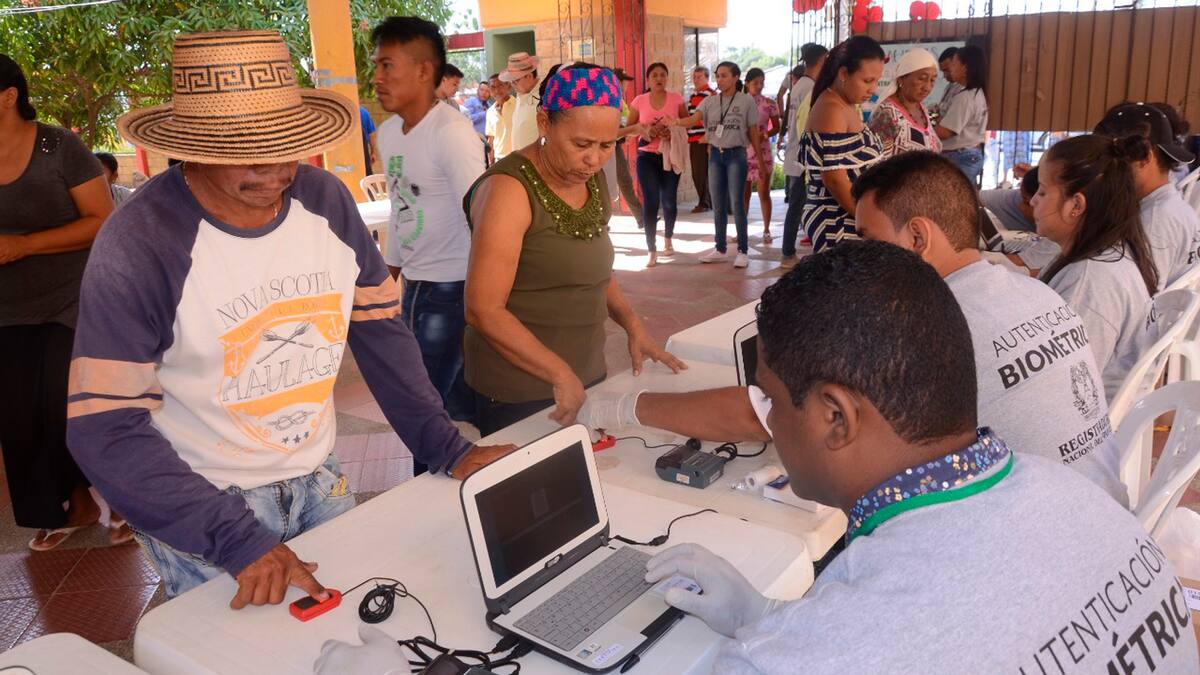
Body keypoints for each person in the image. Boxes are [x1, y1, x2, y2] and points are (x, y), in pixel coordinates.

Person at [66, 29, 513, 603]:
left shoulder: (324, 200)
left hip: (320, 476)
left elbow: (383, 337)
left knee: (349, 627)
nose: (276, 170)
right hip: (205, 497)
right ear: (195, 147)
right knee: (233, 647)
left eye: (288, 146)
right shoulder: (141, 242)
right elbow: (103, 425)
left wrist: (446, 446)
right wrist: (232, 538)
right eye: (248, 153)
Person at [642, 242, 1197, 673]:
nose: (768, 419)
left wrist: (776, 639)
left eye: (771, 399)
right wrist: (768, 617)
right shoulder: (1080, 498)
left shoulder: (787, 663)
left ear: (835, 416)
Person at [579, 152, 1126, 503]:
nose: (858, 251)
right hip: (1096, 507)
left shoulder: (924, 323)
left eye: (867, 237)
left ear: (918, 238)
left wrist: (624, 408)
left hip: (1032, 538)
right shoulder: (1027, 288)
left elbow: (762, 412)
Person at [463, 62, 685, 436]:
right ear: (544, 124)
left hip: (584, 374)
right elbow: (482, 309)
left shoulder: (589, 179)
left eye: (606, 145)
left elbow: (595, 267)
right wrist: (557, 372)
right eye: (581, 144)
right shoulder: (508, 191)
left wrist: (633, 325)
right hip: (520, 390)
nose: (594, 159)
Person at [0, 54, 120, 551]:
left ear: (8, 96)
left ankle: (126, 500)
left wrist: (24, 245)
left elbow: (101, 219)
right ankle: (75, 503)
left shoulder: (58, 147)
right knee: (18, 416)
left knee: (68, 405)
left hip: (72, 296)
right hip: (8, 309)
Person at [373, 17, 484, 427]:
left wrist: (488, 298)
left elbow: (483, 214)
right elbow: (400, 206)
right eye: (376, 66)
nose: (377, 77)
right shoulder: (389, 133)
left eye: (387, 65)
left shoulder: (451, 133)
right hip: (417, 285)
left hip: (452, 287)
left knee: (421, 400)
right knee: (451, 399)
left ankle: (432, 464)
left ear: (423, 71)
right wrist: (387, 278)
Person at [1033, 134, 1159, 400]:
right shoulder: (1109, 253)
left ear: (1076, 205)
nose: (1033, 201)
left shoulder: (1089, 283)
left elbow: (1064, 389)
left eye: (1042, 192)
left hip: (1096, 417)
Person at [673, 61, 768, 268]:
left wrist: (760, 162)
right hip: (716, 155)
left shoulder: (746, 101)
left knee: (737, 203)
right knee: (718, 204)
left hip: (736, 155)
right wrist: (675, 122)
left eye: (724, 75)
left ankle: (743, 250)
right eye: (718, 75)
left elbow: (753, 132)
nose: (720, 79)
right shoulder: (710, 101)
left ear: (735, 77)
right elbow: (693, 119)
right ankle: (720, 248)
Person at [1095, 102, 1200, 290]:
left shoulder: (1153, 221)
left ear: (1145, 158)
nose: (1103, 170)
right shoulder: (1172, 206)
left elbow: (1144, 295)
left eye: (1112, 159)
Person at [799, 36, 885, 252]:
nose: (873, 89)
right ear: (844, 73)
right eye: (867, 81)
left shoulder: (844, 103)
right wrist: (868, 222)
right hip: (837, 220)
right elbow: (835, 180)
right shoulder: (832, 109)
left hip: (848, 217)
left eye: (876, 81)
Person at [627, 62, 688, 267]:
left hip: (670, 156)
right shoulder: (639, 101)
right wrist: (647, 130)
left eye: (663, 75)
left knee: (669, 200)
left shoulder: (677, 99)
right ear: (648, 80)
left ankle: (668, 238)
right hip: (646, 156)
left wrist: (673, 132)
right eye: (654, 75)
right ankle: (651, 249)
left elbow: (687, 124)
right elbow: (630, 129)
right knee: (651, 201)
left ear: (667, 78)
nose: (659, 78)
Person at [780, 43, 827, 267]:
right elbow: (807, 127)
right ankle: (788, 253)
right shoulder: (811, 88)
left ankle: (788, 251)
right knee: (799, 206)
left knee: (798, 206)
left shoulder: (799, 85)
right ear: (822, 60)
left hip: (797, 156)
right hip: (802, 159)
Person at [866, 48, 941, 157]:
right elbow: (876, 159)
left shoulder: (920, 107)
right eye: (922, 79)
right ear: (901, 79)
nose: (927, 87)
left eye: (932, 80)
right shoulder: (887, 113)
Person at [937, 44, 989, 184]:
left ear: (965, 68)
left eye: (954, 64)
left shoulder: (965, 97)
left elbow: (947, 132)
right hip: (966, 155)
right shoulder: (975, 92)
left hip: (960, 156)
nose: (951, 70)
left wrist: (920, 130)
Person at [742, 67, 780, 244]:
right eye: (755, 83)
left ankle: (766, 230)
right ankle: (741, 230)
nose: (759, 86)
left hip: (763, 152)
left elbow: (777, 127)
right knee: (744, 194)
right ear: (747, 83)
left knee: (764, 192)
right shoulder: (739, 103)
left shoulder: (769, 103)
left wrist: (765, 135)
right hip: (743, 151)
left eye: (761, 83)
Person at [608, 67, 644, 230]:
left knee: (623, 181)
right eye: (624, 81)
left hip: (614, 145)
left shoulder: (619, 101)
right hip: (606, 146)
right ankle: (602, 221)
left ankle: (641, 218)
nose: (627, 84)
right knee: (609, 185)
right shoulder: (610, 100)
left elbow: (625, 122)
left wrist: (628, 132)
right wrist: (631, 130)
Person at [687, 66, 716, 213]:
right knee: (697, 172)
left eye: (699, 77)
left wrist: (709, 139)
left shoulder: (711, 95)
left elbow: (714, 118)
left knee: (701, 172)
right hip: (693, 138)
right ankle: (705, 201)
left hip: (703, 138)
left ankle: (705, 203)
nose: (696, 80)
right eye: (694, 77)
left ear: (707, 78)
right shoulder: (694, 95)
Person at [498, 52, 541, 153]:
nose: (512, 84)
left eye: (515, 81)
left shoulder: (544, 96)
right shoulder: (520, 95)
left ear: (529, 76)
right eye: (510, 81)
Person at [484, 73, 510, 164]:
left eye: (500, 85)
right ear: (489, 91)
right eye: (493, 87)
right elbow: (491, 139)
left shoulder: (518, 105)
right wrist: (491, 163)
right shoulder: (490, 112)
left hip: (517, 156)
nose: (497, 90)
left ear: (508, 86)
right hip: (499, 159)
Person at [358, 105, 378, 172]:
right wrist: (373, 152)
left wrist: (373, 152)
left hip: (346, 151)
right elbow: (371, 134)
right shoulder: (363, 111)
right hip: (363, 151)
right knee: (365, 173)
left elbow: (371, 134)